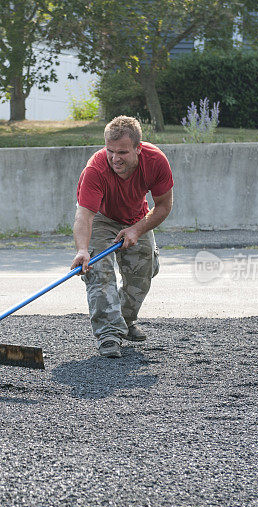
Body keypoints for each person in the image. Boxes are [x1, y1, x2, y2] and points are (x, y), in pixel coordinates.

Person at [71, 116, 174, 358]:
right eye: (110, 151)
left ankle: (125, 322)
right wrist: (83, 251)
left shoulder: (155, 161)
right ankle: (108, 333)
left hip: (136, 218)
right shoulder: (95, 170)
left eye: (123, 152)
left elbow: (163, 206)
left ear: (139, 148)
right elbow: (84, 216)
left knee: (146, 269)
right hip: (102, 219)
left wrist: (137, 230)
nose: (115, 158)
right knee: (98, 269)